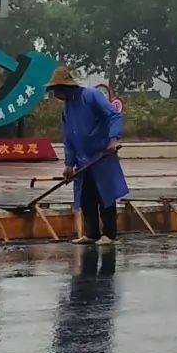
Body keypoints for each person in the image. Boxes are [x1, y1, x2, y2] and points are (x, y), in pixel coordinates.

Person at [47, 65, 128, 243]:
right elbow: (68, 137)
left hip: (101, 155)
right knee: (86, 197)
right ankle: (91, 234)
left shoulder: (91, 96)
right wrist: (68, 164)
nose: (55, 95)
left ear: (66, 87)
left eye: (56, 90)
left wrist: (113, 139)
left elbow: (114, 116)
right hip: (83, 161)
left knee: (104, 195)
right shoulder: (67, 108)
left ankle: (109, 234)